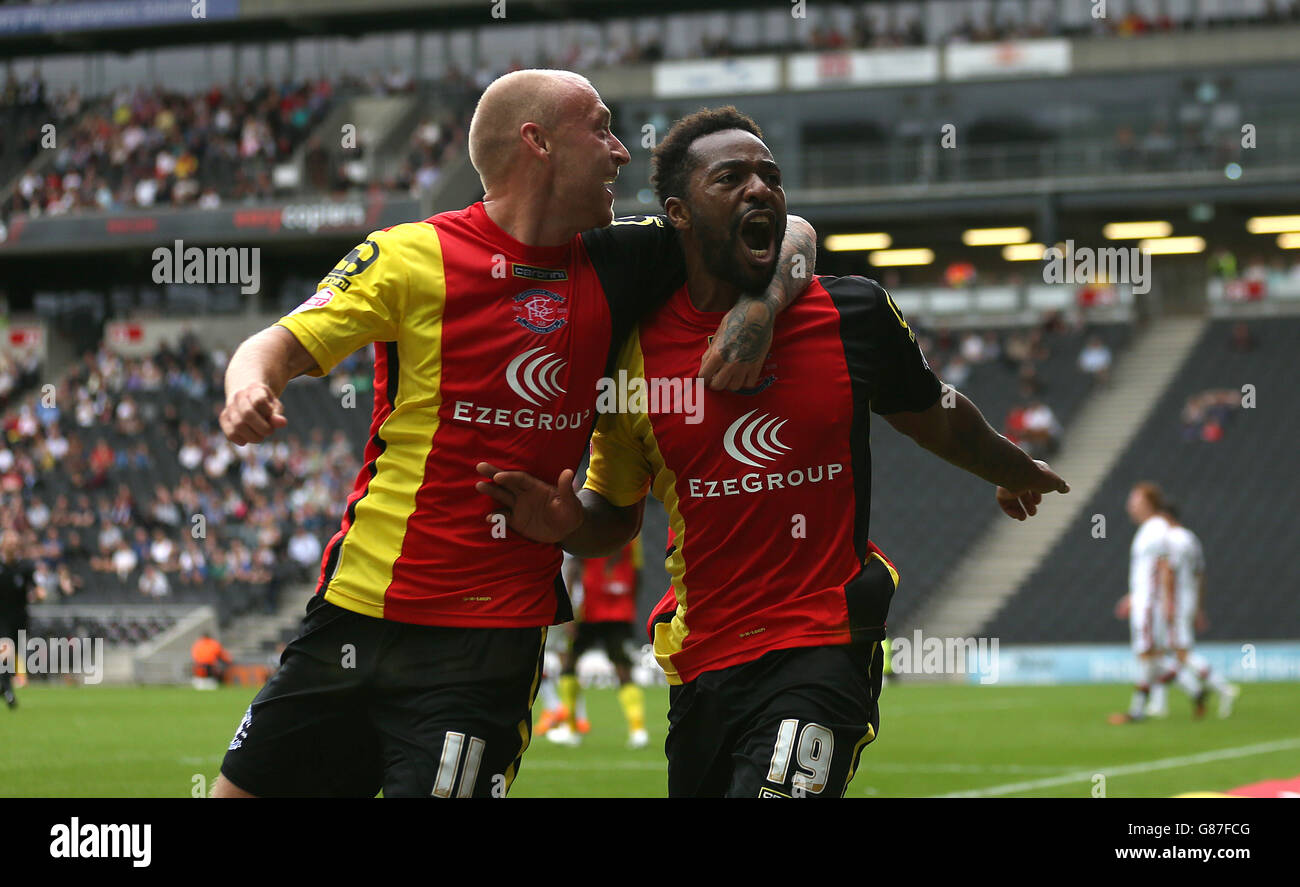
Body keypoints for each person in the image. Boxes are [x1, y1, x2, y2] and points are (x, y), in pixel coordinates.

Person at [213, 72, 816, 798]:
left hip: (486, 647)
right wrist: (251, 384)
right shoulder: (411, 256)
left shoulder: (624, 260)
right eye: (599, 128)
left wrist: (762, 308)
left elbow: (790, 233)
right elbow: (273, 343)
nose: (621, 151)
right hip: (354, 613)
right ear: (537, 143)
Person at [476, 107, 1069, 798]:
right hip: (703, 662)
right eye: (731, 177)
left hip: (822, 643)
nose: (760, 189)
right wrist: (567, 524)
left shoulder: (854, 316)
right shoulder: (631, 354)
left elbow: (935, 415)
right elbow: (614, 512)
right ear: (679, 213)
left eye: (771, 176)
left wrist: (1011, 466)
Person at [546, 538, 647, 749]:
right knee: (620, 666)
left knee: (572, 663)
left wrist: (569, 610)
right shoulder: (632, 533)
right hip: (615, 610)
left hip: (593, 610)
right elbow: (637, 573)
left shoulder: (588, 525)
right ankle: (637, 729)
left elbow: (574, 569)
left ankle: (573, 729)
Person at [1155, 504, 1238, 718]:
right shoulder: (1191, 539)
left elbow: (1169, 572)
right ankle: (1172, 700)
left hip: (1178, 601)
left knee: (1180, 653)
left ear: (1165, 516)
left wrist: (1169, 603)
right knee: (1174, 654)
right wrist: (1199, 608)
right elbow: (1201, 574)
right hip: (1190, 599)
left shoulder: (1171, 539)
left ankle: (1223, 688)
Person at [1110, 482, 1172, 725]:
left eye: (1134, 500)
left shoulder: (1157, 529)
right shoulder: (1148, 529)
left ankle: (1138, 708)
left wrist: (1165, 601)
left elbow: (1164, 566)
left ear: (1149, 503)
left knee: (1147, 654)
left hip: (1149, 603)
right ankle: (1195, 688)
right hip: (1143, 600)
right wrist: (1132, 597)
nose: (1130, 506)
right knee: (1151, 655)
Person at [0, 531, 35, 710]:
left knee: (12, 655)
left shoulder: (25, 567)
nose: (13, 545)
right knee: (5, 651)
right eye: (10, 542)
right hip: (1, 618)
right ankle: (8, 691)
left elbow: (33, 587)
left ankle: (3, 685)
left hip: (19, 618)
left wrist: (38, 593)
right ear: (3, 545)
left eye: (15, 543)